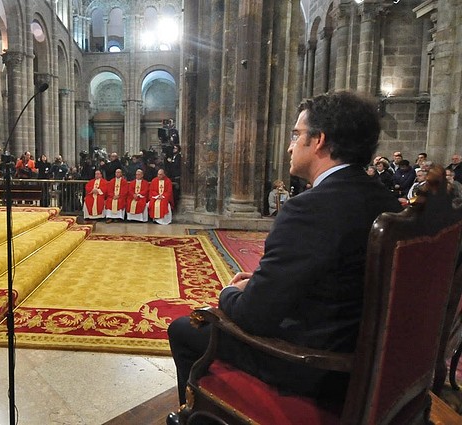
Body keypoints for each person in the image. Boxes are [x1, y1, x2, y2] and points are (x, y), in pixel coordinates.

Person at [166, 91, 402, 422]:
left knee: (184, 329)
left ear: (319, 141)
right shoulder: (385, 202)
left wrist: (231, 293)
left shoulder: (309, 209)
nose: (291, 146)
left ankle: (198, 416)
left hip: (312, 365)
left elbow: (254, 316)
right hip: (368, 358)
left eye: (296, 135)